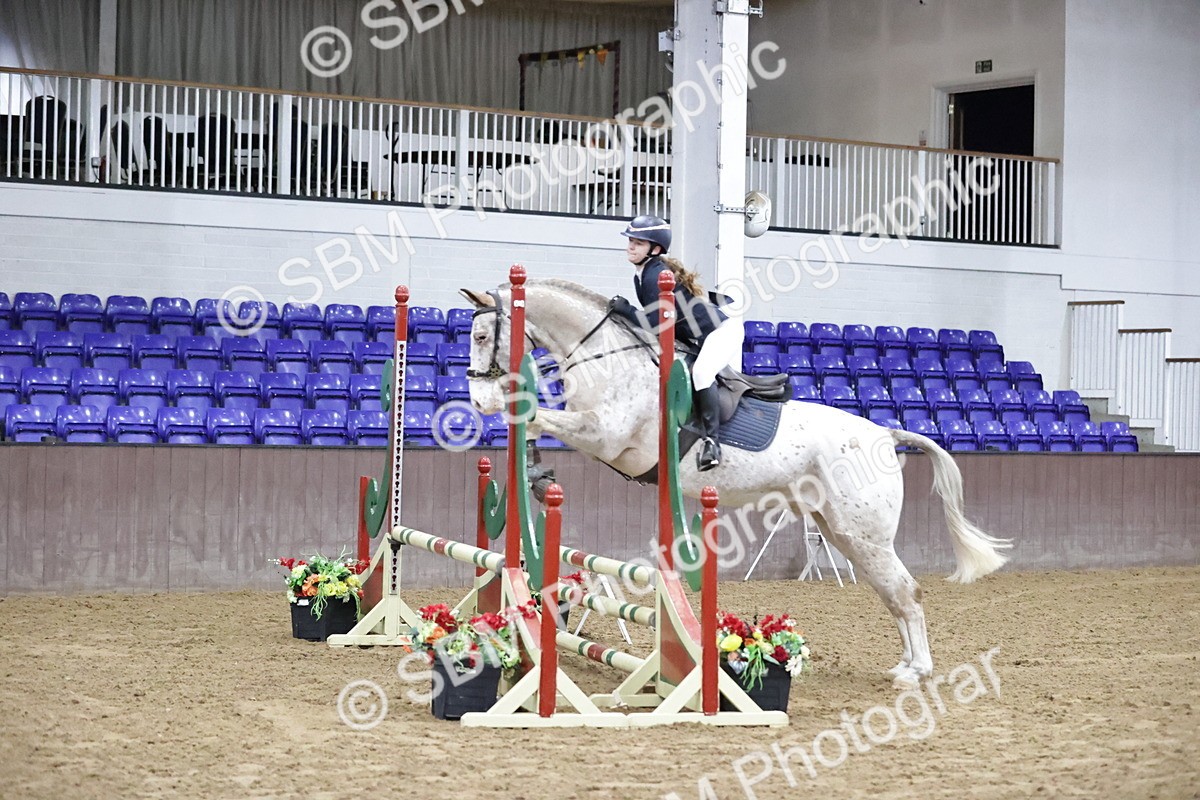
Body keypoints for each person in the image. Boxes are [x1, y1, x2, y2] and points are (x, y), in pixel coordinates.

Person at [611, 214, 744, 472]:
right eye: (630, 241)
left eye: (638, 242)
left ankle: (711, 444)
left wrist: (625, 310)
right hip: (694, 336)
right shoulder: (643, 274)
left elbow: (655, 323)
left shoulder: (655, 275)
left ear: (655, 248)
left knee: (702, 374)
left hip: (721, 332)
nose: (630, 246)